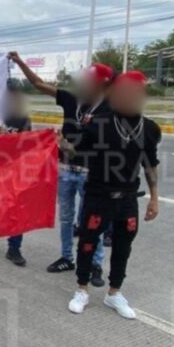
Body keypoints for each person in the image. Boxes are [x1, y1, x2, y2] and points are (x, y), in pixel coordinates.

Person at [67, 71, 161, 319]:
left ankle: (114, 293)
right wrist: (62, 145)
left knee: (123, 246)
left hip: (128, 199)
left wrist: (154, 196)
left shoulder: (150, 129)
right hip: (99, 196)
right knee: (88, 242)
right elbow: (76, 153)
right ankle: (82, 289)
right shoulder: (98, 124)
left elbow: (149, 163)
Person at [11, 51, 110, 286]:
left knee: (89, 220)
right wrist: (19, 62)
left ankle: (95, 264)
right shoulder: (70, 99)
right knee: (66, 218)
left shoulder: (109, 108)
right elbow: (38, 84)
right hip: (66, 169)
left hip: (90, 173)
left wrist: (69, 144)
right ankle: (67, 257)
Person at [0, 78, 32, 265]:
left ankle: (14, 248)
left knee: (17, 209)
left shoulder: (22, 117)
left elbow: (27, 143)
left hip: (16, 169)